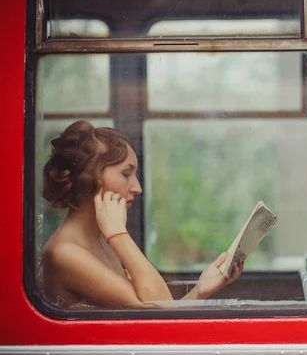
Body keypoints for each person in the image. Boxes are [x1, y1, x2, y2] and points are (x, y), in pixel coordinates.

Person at [40, 120, 243, 308]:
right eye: (126, 174)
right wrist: (118, 234)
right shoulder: (64, 253)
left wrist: (199, 291)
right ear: (91, 176)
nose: (137, 188)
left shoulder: (100, 241)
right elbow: (159, 310)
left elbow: (156, 310)